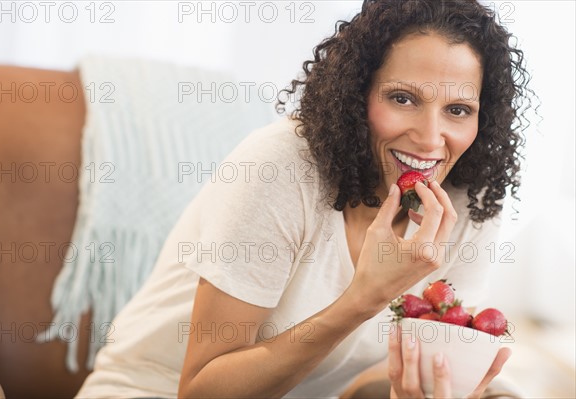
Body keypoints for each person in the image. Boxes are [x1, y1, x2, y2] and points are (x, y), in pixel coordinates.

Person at [76, 0, 532, 397]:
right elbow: (200, 390)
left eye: (458, 110)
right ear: (358, 96)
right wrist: (363, 298)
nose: (431, 140)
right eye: (402, 98)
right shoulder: (280, 167)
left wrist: (416, 389)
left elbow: (363, 378)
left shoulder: (471, 200)